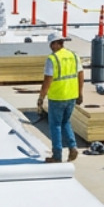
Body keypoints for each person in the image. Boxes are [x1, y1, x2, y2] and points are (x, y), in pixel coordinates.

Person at [35, 35, 84, 163]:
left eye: (52, 44)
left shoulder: (52, 59)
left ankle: (57, 155)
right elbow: (80, 74)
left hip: (58, 97)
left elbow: (48, 80)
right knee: (66, 122)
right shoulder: (74, 55)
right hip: (71, 95)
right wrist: (80, 93)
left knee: (55, 125)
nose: (51, 47)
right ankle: (72, 147)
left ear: (56, 43)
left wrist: (41, 97)